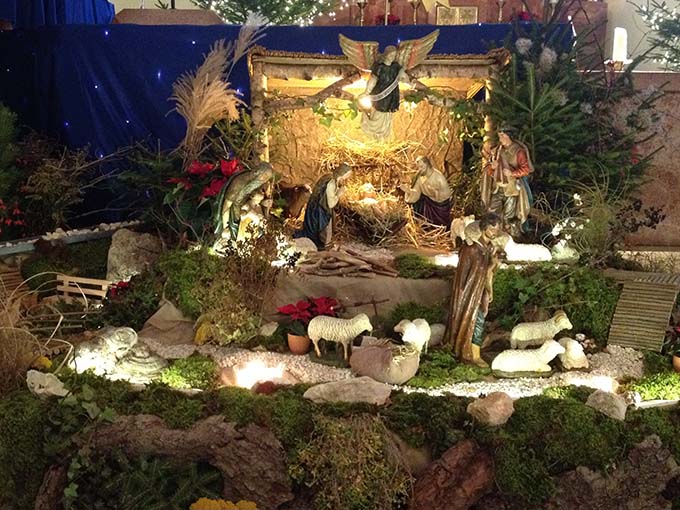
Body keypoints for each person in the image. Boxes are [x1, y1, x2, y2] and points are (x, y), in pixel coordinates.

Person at [446, 213, 505, 367]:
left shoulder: (489, 248)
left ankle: (473, 352)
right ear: (484, 228)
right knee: (477, 321)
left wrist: (489, 287)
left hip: (480, 292)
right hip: (469, 293)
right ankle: (473, 355)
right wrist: (491, 265)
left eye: (497, 230)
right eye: (492, 229)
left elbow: (487, 272)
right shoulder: (471, 249)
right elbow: (469, 274)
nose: (495, 233)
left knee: (479, 321)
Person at [481, 126, 534, 237]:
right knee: (492, 211)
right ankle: (492, 236)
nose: (500, 138)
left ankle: (510, 237)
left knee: (509, 216)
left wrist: (512, 173)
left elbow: (526, 169)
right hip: (497, 187)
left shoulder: (518, 151)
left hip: (511, 189)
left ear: (509, 136)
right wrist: (492, 168)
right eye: (499, 135)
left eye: (502, 135)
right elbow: (489, 170)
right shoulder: (497, 150)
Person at [295, 164, 352, 249]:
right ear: (344, 173)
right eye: (348, 173)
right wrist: (339, 194)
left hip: (315, 207)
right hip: (320, 211)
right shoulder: (332, 183)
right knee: (323, 231)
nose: (349, 176)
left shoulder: (329, 176)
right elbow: (331, 203)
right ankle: (322, 245)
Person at [359, 46, 409, 140]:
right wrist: (367, 92)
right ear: (386, 55)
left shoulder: (396, 67)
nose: (392, 57)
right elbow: (373, 80)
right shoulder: (379, 67)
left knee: (387, 118)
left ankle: (384, 139)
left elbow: (404, 78)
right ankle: (374, 137)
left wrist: (406, 78)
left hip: (391, 97)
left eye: (394, 55)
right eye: (391, 55)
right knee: (377, 115)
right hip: (380, 96)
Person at [400, 156, 453, 227]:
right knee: (419, 203)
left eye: (421, 167)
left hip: (440, 206)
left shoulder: (438, 177)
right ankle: (424, 225)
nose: (420, 169)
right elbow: (416, 193)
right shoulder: (421, 177)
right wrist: (408, 190)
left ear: (427, 164)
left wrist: (435, 193)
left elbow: (447, 194)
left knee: (441, 224)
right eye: (418, 167)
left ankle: (438, 226)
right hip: (428, 204)